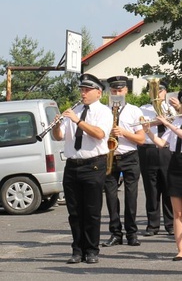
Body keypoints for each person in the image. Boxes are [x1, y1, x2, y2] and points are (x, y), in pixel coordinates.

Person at [52, 74, 113, 264]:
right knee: (75, 212)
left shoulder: (104, 112)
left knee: (92, 211)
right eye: (82, 90)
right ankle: (77, 250)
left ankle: (92, 250)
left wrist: (78, 121)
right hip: (72, 165)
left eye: (87, 90)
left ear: (98, 93)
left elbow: (100, 134)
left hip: (93, 165)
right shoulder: (74, 110)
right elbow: (60, 137)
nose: (83, 93)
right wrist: (56, 126)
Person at [149, 86, 182, 262]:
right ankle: (180, 250)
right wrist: (147, 130)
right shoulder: (178, 122)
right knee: (177, 212)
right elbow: (160, 143)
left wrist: (167, 123)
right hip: (175, 164)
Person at [101, 76, 146, 248]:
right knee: (111, 197)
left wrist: (124, 133)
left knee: (131, 196)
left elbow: (141, 139)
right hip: (110, 156)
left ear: (126, 91)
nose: (117, 94)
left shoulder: (134, 111)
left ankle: (132, 233)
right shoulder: (104, 111)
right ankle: (115, 233)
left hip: (129, 156)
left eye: (120, 91)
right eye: (113, 91)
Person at [139, 79, 176, 237]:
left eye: (160, 91)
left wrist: (165, 120)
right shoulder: (142, 109)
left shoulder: (172, 109)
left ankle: (170, 224)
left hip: (167, 150)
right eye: (154, 91)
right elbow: (141, 125)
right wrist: (156, 121)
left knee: (169, 188)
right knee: (151, 189)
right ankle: (152, 225)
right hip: (149, 150)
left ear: (165, 92)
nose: (157, 94)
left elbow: (178, 125)